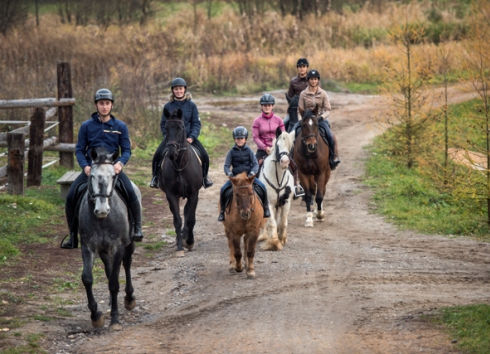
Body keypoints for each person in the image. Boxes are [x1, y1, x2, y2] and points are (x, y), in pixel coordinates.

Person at [61, 88, 144, 249]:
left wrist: (120, 164)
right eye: (101, 103)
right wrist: (85, 166)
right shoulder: (86, 126)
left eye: (107, 103)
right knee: (71, 196)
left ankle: (137, 228)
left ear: (111, 105)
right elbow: (79, 150)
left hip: (113, 171)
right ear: (96, 105)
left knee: (131, 192)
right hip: (92, 170)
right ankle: (73, 236)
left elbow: (126, 149)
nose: (104, 106)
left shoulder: (121, 126)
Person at [150, 77, 213, 189]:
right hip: (171, 139)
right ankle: (155, 178)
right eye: (176, 89)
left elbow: (196, 124)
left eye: (180, 89)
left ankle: (205, 178)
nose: (178, 91)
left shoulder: (191, 106)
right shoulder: (168, 106)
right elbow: (163, 124)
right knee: (157, 155)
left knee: (205, 155)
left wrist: (192, 137)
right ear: (172, 91)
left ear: (185, 89)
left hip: (188, 138)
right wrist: (167, 137)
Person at [252, 94, 305, 197]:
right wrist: (264, 147)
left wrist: (282, 147)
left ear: (272, 106)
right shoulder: (257, 121)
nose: (267, 107)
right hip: (263, 149)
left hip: (278, 149)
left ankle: (295, 186)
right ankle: (255, 188)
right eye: (265, 105)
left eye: (269, 105)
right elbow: (255, 137)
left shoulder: (279, 120)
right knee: (254, 167)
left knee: (293, 165)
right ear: (261, 106)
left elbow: (283, 136)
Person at [218, 126, 270, 222]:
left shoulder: (249, 151)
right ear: (234, 139)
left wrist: (252, 174)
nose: (239, 140)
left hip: (248, 178)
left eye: (241, 138)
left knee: (262, 187)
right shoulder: (231, 152)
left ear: (245, 139)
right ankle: (222, 212)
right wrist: (230, 174)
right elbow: (226, 166)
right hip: (236, 180)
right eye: (237, 139)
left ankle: (266, 209)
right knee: (223, 189)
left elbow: (255, 164)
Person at [295, 69, 341, 170]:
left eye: (315, 79)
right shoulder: (303, 94)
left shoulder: (323, 93)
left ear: (318, 80)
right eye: (311, 79)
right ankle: (292, 158)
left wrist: (321, 117)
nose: (313, 81)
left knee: (330, 135)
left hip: (320, 119)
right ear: (308, 80)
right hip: (306, 120)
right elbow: (299, 110)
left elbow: (328, 110)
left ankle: (333, 157)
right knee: (294, 132)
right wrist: (300, 120)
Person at [284, 58, 310, 132]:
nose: (302, 68)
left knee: (326, 123)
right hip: (295, 110)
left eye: (303, 66)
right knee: (284, 122)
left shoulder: (312, 80)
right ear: (297, 68)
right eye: (300, 67)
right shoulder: (293, 81)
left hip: (310, 109)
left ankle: (330, 142)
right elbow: (290, 98)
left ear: (307, 68)